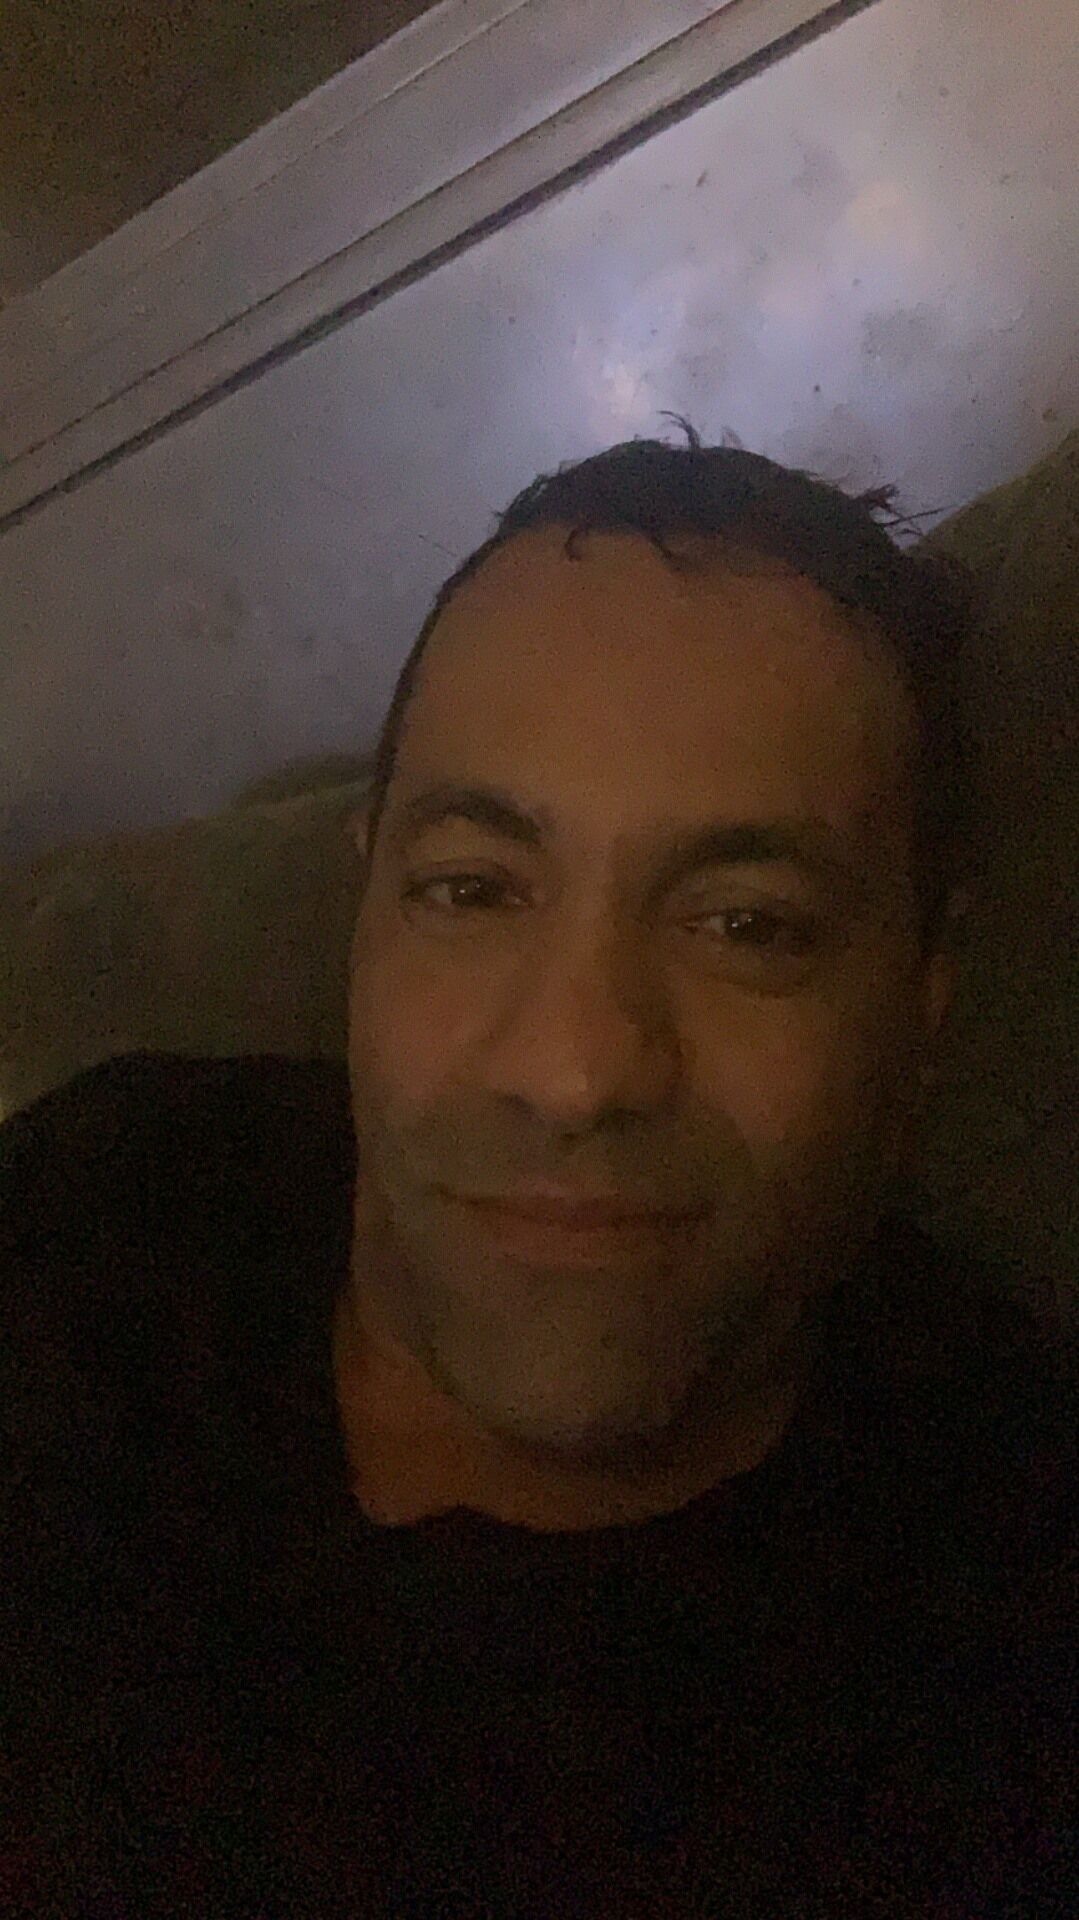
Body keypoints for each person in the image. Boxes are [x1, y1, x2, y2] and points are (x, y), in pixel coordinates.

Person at [2, 427, 1072, 1917]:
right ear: (366, 916)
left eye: (747, 925)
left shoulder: (1008, 1641)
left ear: (918, 1015)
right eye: (474, 889)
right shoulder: (109, 1196)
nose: (573, 1074)